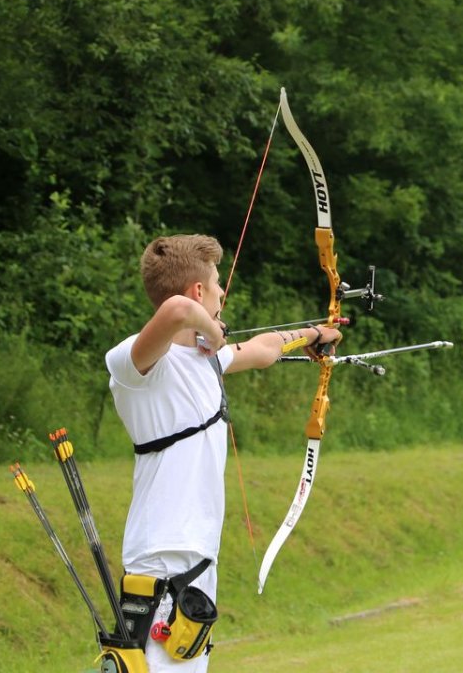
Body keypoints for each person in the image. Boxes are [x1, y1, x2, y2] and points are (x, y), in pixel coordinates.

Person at [105, 234, 341, 671]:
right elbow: (176, 312)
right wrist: (213, 332)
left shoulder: (204, 359)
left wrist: (313, 334)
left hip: (195, 561)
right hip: (161, 562)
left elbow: (261, 348)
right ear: (199, 292)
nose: (222, 292)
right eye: (217, 284)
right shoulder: (131, 364)